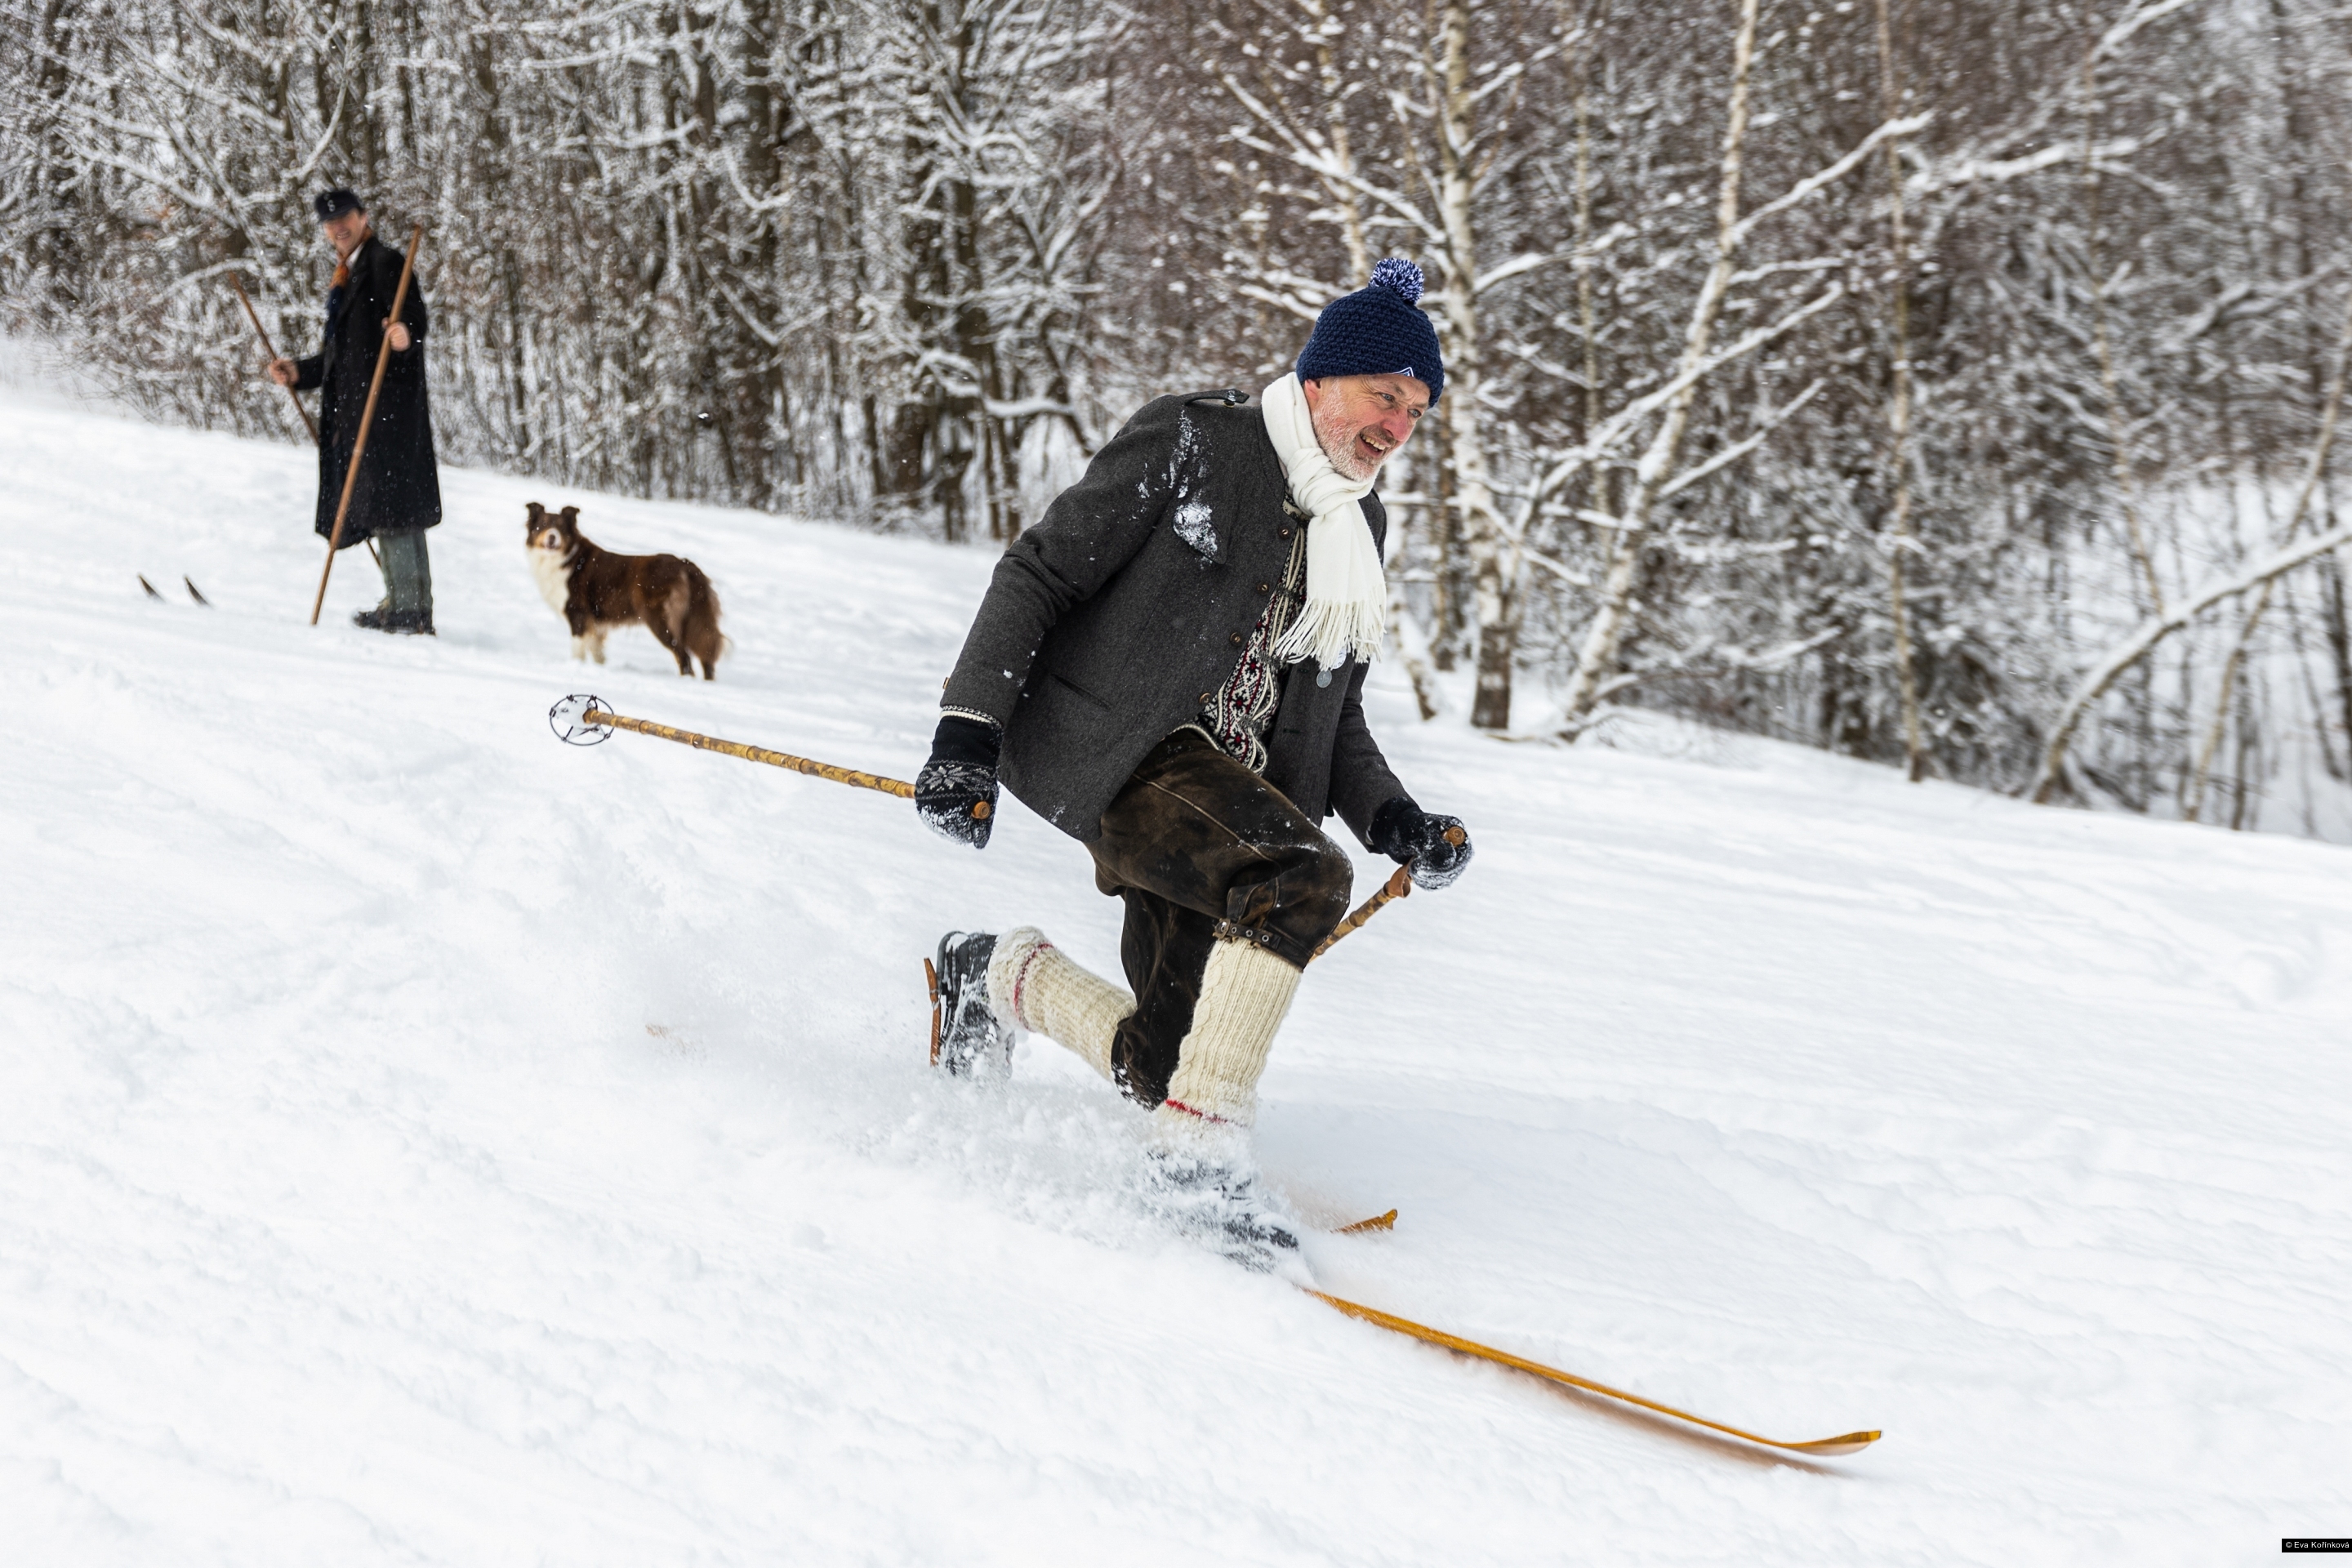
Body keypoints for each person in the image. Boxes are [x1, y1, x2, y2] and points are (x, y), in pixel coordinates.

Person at [915, 258, 1474, 1266]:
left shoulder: (1359, 526)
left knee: (1164, 1062)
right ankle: (1194, 1168)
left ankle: (990, 974)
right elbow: (1037, 574)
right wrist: (968, 731)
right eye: (1384, 396)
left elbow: (1333, 714)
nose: (1398, 427)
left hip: (1234, 809)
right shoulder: (1194, 441)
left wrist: (1396, 819)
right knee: (1300, 874)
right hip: (1124, 757)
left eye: (1418, 410)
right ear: (1318, 380)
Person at [268, 188, 441, 634]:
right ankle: (407, 604)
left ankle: (408, 612)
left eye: (345, 218)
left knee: (393, 513)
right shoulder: (349, 273)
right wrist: (299, 372)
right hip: (364, 414)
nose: (337, 228)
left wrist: (405, 337)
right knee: (391, 512)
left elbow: (413, 320)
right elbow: (340, 355)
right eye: (329, 223)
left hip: (387, 414)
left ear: (364, 217)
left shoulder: (385, 263)